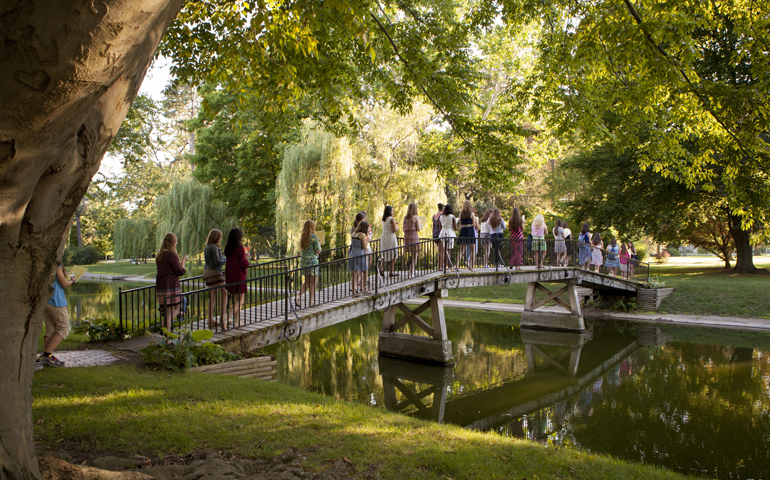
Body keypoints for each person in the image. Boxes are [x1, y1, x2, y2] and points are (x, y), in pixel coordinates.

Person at [39, 264, 78, 367]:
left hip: (46, 301)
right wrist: (73, 281)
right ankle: (47, 355)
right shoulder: (57, 265)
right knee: (65, 328)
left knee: (51, 329)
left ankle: (48, 358)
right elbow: (64, 284)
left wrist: (65, 275)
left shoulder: (46, 263)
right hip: (56, 302)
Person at [155, 233, 189, 335]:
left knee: (167, 311)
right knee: (176, 308)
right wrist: (183, 261)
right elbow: (180, 271)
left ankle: (165, 332)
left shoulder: (159, 254)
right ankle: (167, 333)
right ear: (173, 242)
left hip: (161, 286)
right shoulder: (171, 255)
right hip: (171, 286)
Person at [203, 229, 228, 329]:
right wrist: (226, 258)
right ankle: (223, 318)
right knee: (225, 292)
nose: (221, 239)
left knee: (212, 294)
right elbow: (217, 262)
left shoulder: (207, 247)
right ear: (217, 237)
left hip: (207, 272)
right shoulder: (214, 247)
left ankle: (210, 320)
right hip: (214, 272)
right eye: (220, 237)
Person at [224, 228, 249, 327]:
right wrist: (246, 257)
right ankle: (226, 318)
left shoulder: (228, 247)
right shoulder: (239, 248)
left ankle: (236, 322)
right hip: (239, 276)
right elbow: (244, 264)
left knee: (236, 300)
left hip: (230, 275)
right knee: (240, 300)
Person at [296, 220, 321, 307]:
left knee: (307, 281)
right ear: (311, 227)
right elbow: (318, 251)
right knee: (314, 282)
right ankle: (311, 302)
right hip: (312, 262)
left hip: (304, 262)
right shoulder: (313, 237)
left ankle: (298, 296)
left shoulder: (303, 237)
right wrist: (319, 243)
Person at [349, 221, 371, 296]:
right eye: (368, 228)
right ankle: (364, 289)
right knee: (365, 271)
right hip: (359, 254)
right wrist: (368, 240)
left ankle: (354, 292)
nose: (368, 230)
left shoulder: (354, 233)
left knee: (354, 273)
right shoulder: (362, 235)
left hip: (352, 254)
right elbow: (364, 247)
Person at [403, 203, 421, 277]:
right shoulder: (415, 217)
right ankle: (411, 272)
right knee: (415, 255)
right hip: (414, 236)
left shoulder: (405, 218)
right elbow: (419, 229)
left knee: (411, 255)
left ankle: (412, 269)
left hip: (407, 237)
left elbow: (404, 229)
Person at [380, 205, 399, 277]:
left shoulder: (384, 219)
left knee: (386, 254)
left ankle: (381, 268)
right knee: (393, 254)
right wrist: (397, 227)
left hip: (384, 236)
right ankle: (391, 272)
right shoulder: (392, 219)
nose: (393, 212)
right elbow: (394, 230)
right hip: (390, 237)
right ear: (389, 211)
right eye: (392, 211)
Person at [457, 201, 477, 271]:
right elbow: (474, 225)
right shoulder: (472, 214)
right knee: (472, 250)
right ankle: (472, 266)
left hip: (463, 231)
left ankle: (457, 265)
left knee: (462, 250)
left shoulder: (461, 214)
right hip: (470, 231)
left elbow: (460, 224)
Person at [438, 204, 457, 271]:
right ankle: (448, 266)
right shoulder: (452, 217)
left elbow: (440, 227)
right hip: (450, 233)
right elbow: (455, 228)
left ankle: (443, 266)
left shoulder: (441, 217)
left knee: (443, 250)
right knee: (449, 250)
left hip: (442, 233)